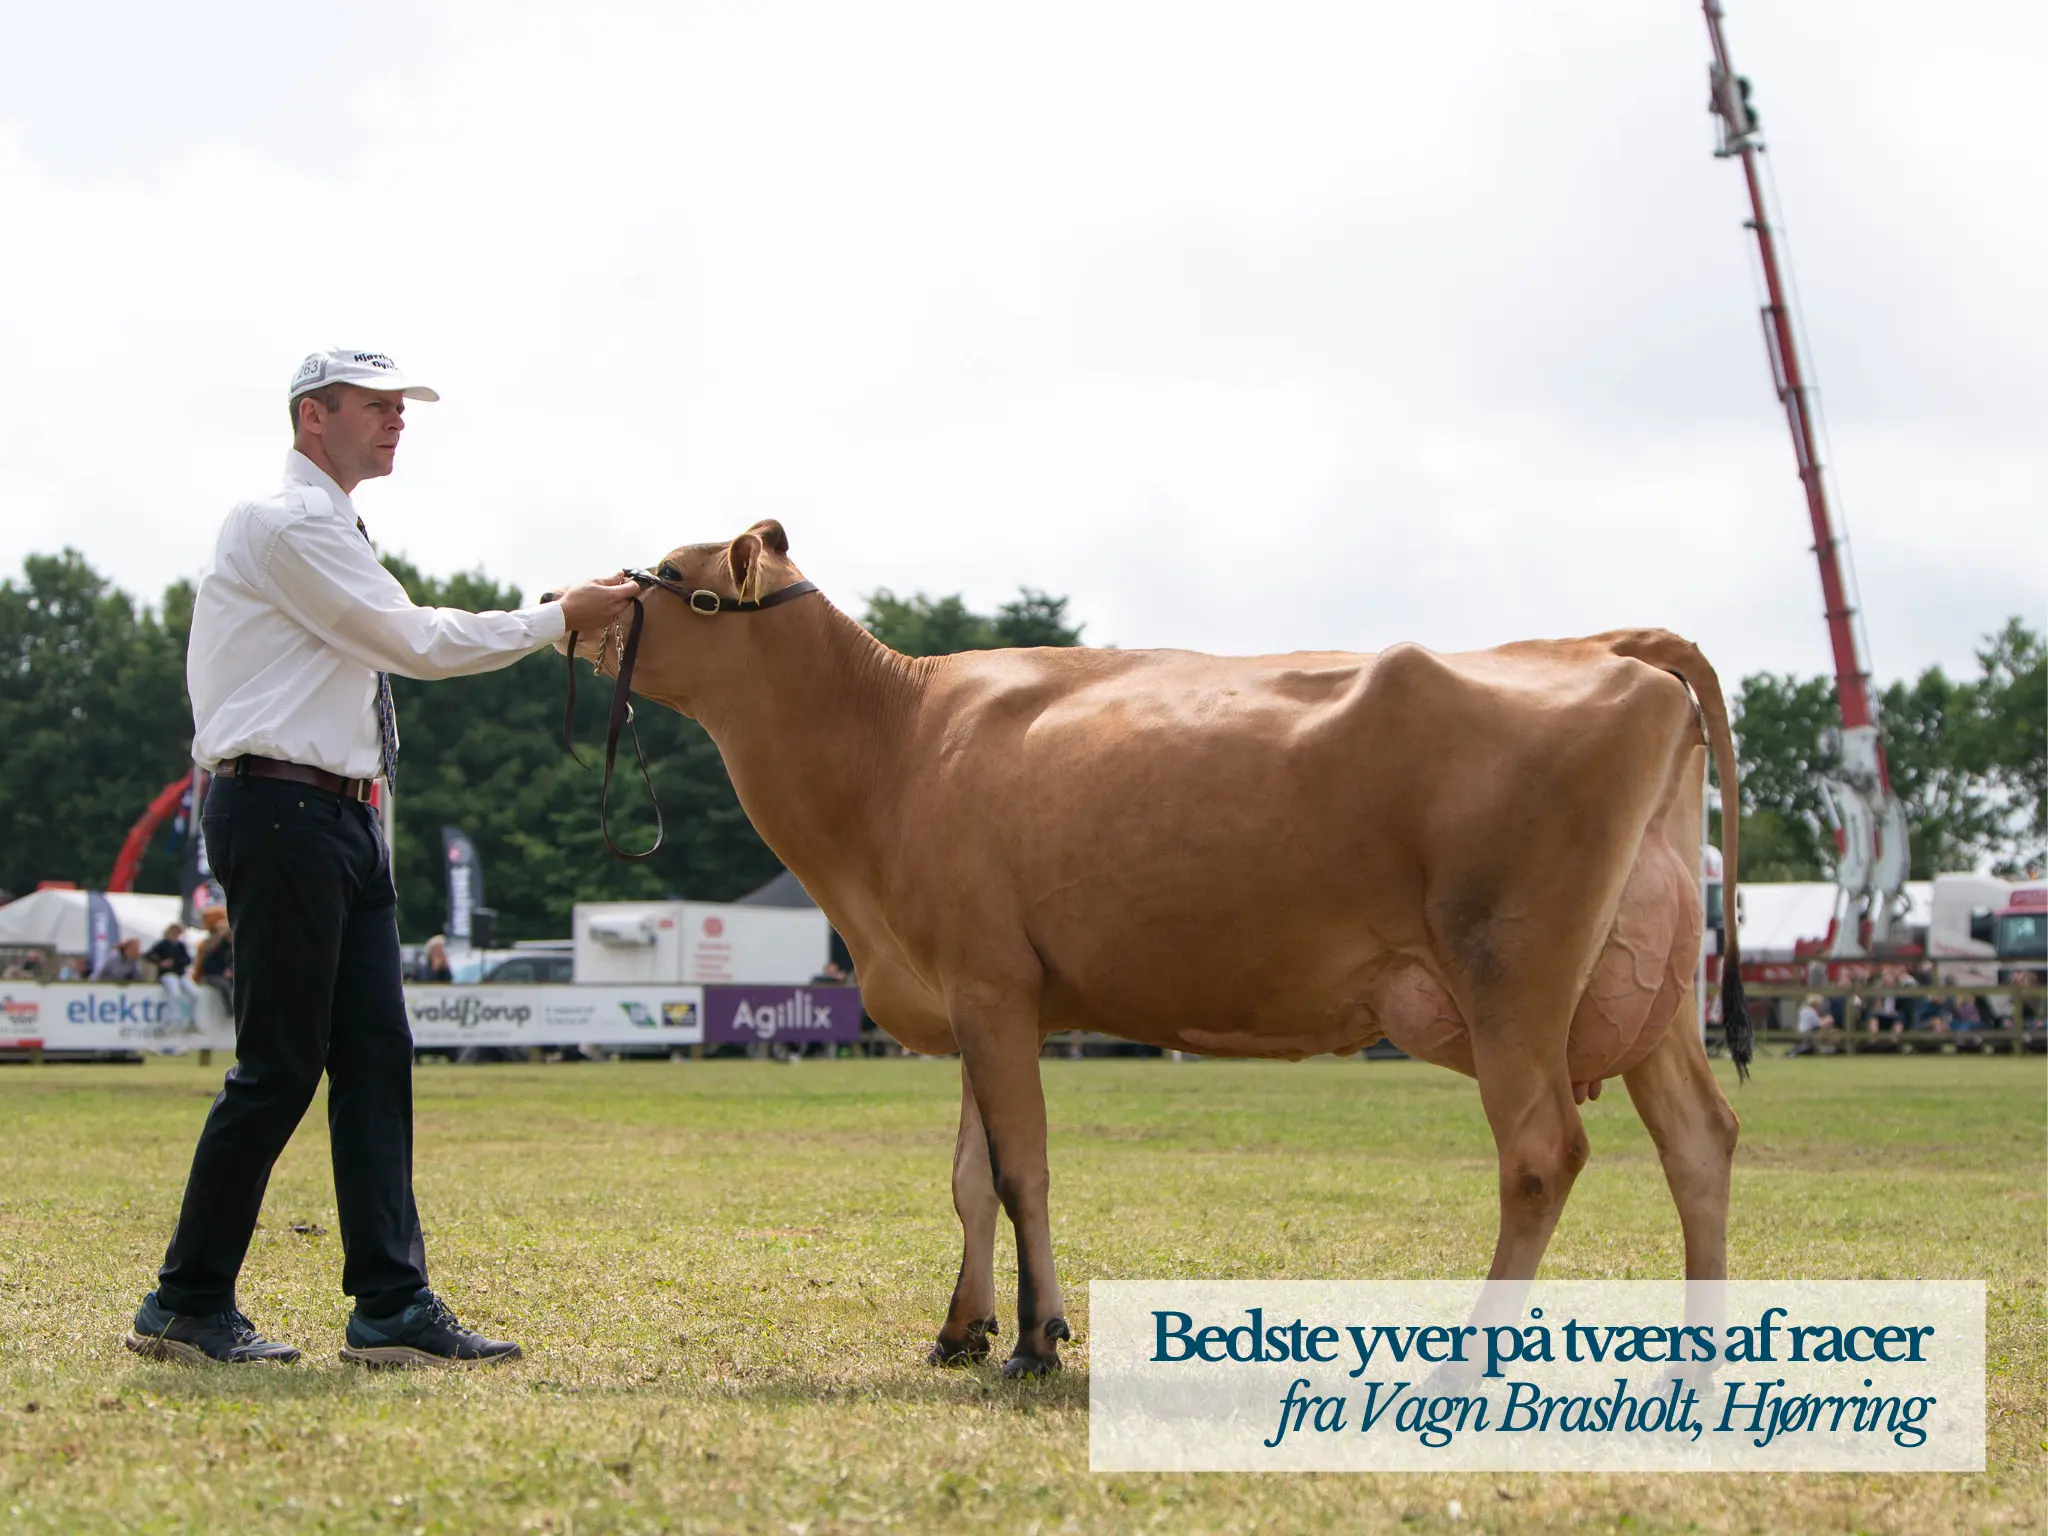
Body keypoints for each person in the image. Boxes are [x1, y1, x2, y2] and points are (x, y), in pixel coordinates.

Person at [125, 348, 638, 1369]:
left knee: (373, 1059)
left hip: (338, 816)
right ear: (313, 417)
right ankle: (185, 1300)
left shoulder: (330, 532)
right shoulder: (283, 527)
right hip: (282, 808)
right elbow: (415, 641)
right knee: (280, 1066)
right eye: (376, 405)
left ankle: (391, 1306)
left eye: (402, 406)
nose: (396, 420)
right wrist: (556, 619)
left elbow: (388, 650)